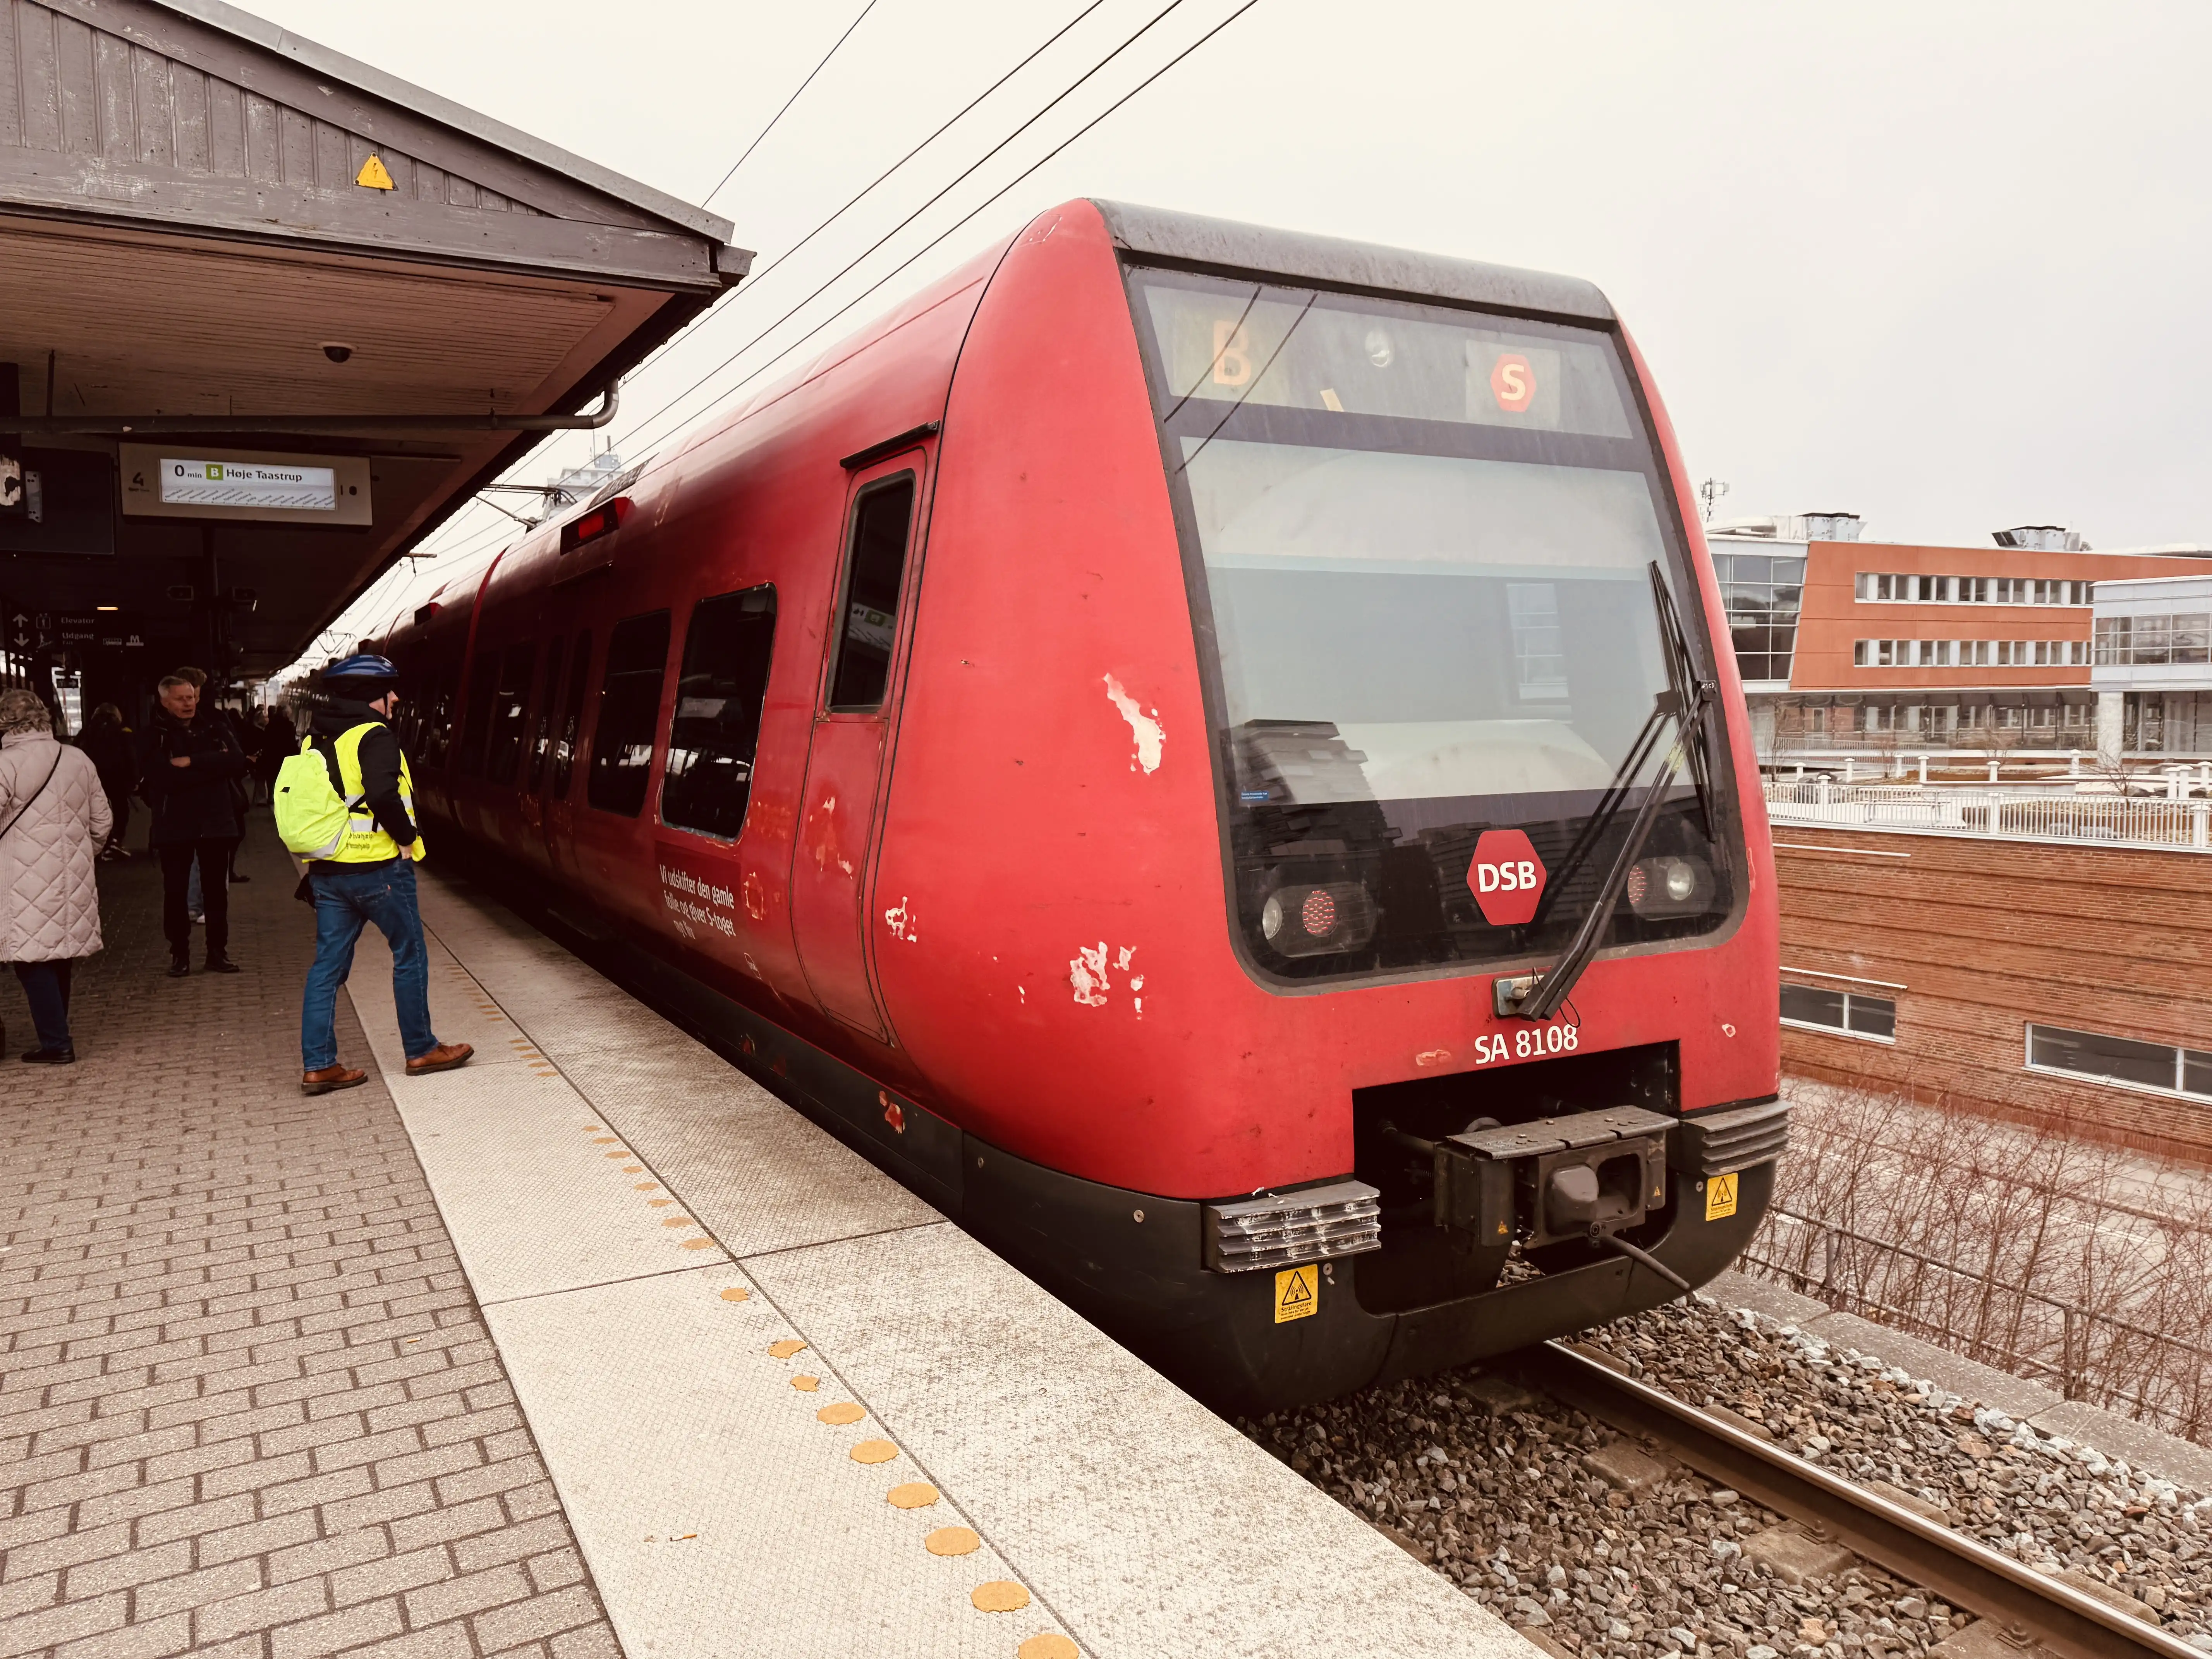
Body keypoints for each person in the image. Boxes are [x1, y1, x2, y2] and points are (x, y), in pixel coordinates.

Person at [297, 653, 472, 1094]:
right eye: (387, 691)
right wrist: (407, 836)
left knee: (327, 968)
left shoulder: (316, 738)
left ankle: (319, 1065)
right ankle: (421, 1049)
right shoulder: (374, 735)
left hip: (329, 872)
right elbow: (381, 793)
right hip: (379, 871)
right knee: (409, 954)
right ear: (368, 695)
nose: (394, 698)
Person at [0, 689, 112, 1063]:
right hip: (72, 875)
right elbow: (102, 821)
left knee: (32, 961)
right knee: (58, 955)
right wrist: (78, 856)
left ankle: (57, 1043)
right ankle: (56, 1034)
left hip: (20, 879)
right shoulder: (77, 758)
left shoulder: (5, 763)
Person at [137, 671, 246, 976]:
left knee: (217, 893)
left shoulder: (215, 727)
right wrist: (213, 767)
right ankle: (180, 955)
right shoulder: (154, 735)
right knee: (175, 893)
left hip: (216, 823)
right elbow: (162, 777)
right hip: (174, 825)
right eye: (180, 699)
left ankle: (217, 952)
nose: (188, 704)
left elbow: (238, 761)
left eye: (191, 698)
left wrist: (193, 763)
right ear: (165, 701)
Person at [77, 703, 137, 862]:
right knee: (120, 810)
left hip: (93, 778)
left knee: (95, 811)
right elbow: (130, 756)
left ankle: (98, 846)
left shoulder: (87, 732)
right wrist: (134, 779)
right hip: (117, 777)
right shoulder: (123, 732)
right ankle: (115, 842)